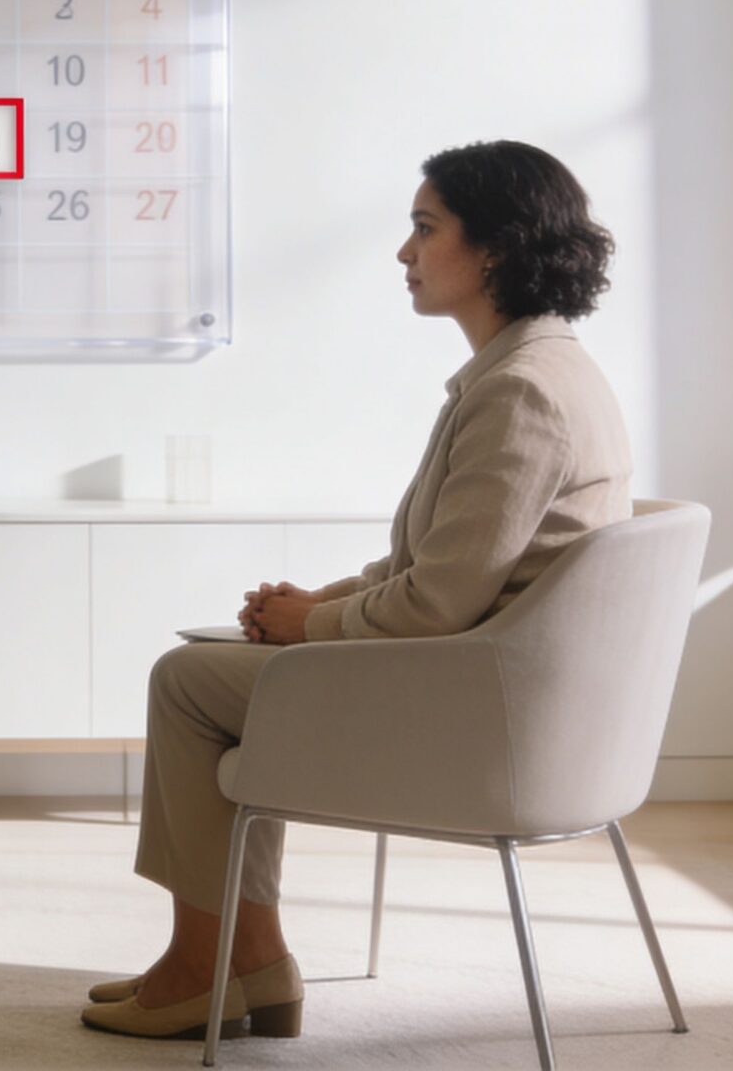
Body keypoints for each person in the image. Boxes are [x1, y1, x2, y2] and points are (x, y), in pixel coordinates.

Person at [82, 139, 634, 1040]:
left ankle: (213, 965)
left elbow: (435, 604)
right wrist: (316, 605)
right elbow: (439, 565)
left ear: (493, 246)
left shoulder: (522, 391)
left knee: (186, 683)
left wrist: (314, 627)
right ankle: (244, 962)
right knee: (210, 667)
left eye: (425, 228)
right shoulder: (531, 371)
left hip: (483, 717)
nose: (404, 252)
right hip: (489, 685)